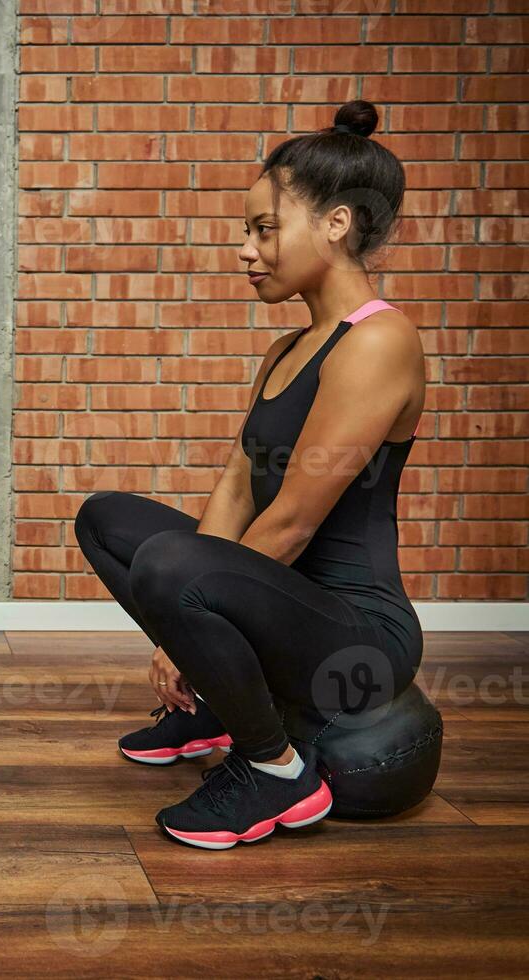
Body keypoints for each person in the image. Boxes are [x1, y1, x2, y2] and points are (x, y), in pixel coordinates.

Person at [73, 100, 425, 851]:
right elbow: (237, 488)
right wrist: (184, 624)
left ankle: (275, 771)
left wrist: (177, 624)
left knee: (173, 563)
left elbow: (295, 519)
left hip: (357, 638)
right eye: (246, 232)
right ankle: (223, 708)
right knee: (107, 520)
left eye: (264, 229)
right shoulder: (287, 349)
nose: (245, 249)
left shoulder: (380, 341)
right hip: (282, 602)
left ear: (335, 224)